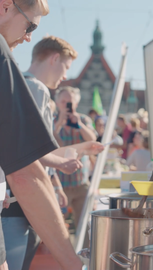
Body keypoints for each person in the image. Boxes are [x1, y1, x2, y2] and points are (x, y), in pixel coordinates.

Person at [0, 0, 84, 269]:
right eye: (31, 24)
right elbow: (25, 167)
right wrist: (73, 264)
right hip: (18, 208)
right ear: (5, 6)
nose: (28, 37)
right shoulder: (6, 61)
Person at [53, 86, 97, 246]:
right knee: (56, 226)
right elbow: (49, 144)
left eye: (69, 102)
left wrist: (79, 124)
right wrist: (58, 124)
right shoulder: (51, 119)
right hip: (59, 183)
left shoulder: (83, 120)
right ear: (57, 103)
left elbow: (93, 139)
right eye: (63, 101)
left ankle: (83, 258)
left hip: (80, 182)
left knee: (85, 225)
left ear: (76, 103)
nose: (66, 105)